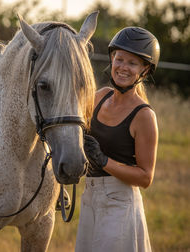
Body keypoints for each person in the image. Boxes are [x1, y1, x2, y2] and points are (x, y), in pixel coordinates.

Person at [75, 26, 160, 252]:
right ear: (112, 59)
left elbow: (145, 177)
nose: (123, 67)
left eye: (132, 63)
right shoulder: (99, 97)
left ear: (145, 69)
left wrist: (103, 161)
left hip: (119, 203)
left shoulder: (144, 116)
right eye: (119, 59)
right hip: (89, 196)